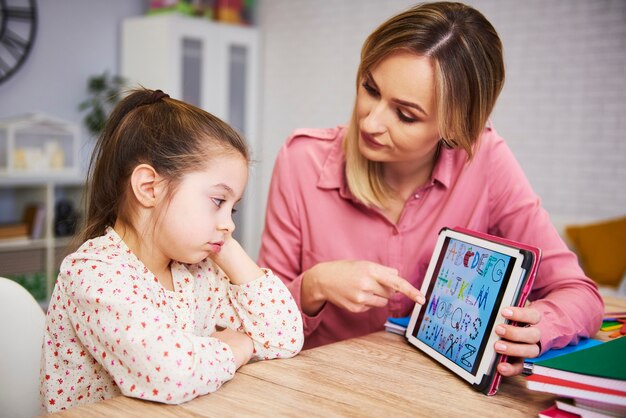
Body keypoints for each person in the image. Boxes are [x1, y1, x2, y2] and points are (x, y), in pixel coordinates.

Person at [258, 1, 603, 377]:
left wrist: (539, 329)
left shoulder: (484, 160)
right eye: (370, 89)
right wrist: (314, 285)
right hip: (321, 387)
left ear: (457, 129)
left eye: (406, 115)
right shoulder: (301, 159)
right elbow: (256, 317)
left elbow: (579, 294)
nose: (370, 122)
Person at [40, 88, 304, 413]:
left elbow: (283, 337)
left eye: (232, 210)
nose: (229, 223)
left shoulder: (198, 270)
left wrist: (227, 249)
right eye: (218, 201)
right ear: (149, 187)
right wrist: (234, 347)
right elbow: (172, 374)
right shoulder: (94, 273)